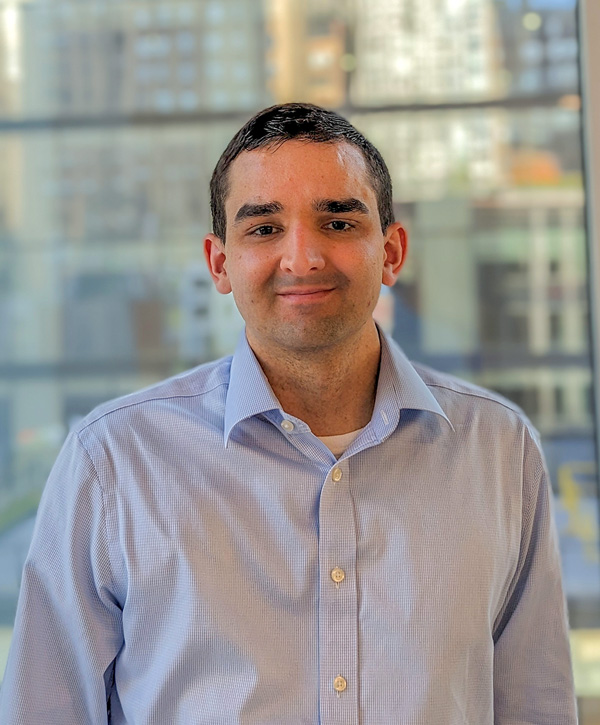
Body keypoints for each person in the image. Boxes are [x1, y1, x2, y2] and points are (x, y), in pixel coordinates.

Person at [0, 103, 577, 724]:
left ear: (391, 250)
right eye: (264, 228)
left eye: (337, 221)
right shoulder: (111, 462)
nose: (302, 258)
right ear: (220, 263)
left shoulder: (498, 448)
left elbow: (535, 705)